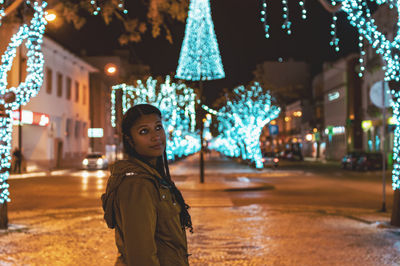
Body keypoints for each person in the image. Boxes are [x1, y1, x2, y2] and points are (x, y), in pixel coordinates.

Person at [101, 104, 193, 266]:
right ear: (130, 140)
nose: (155, 136)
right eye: (144, 131)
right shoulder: (137, 184)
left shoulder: (153, 178)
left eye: (158, 127)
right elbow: (142, 257)